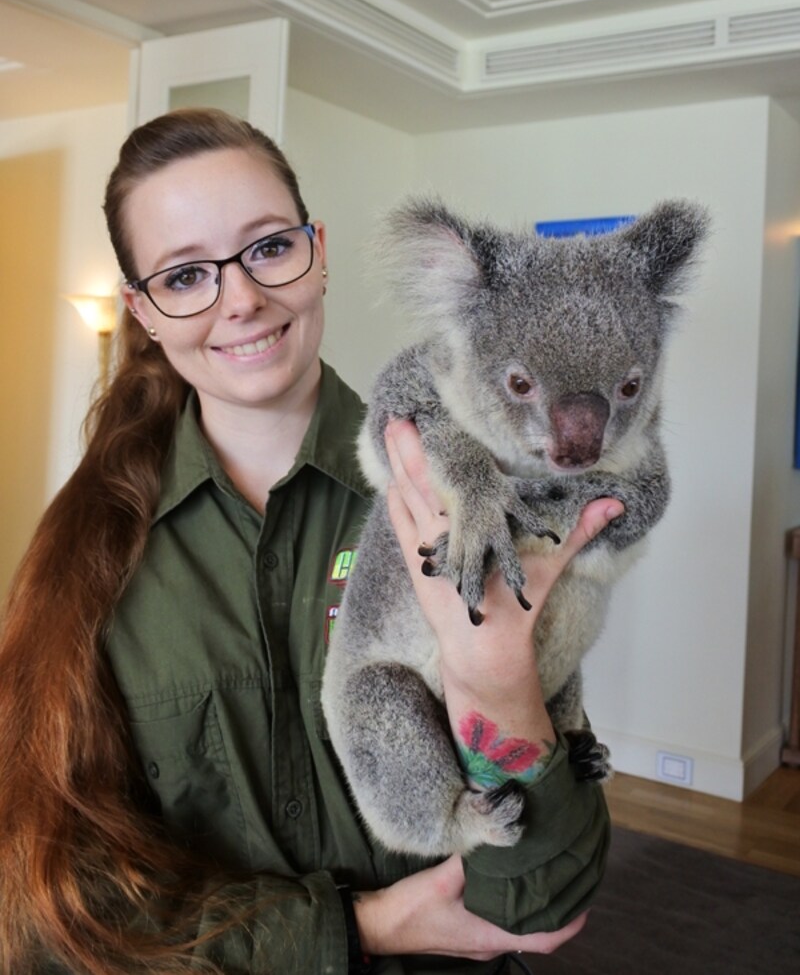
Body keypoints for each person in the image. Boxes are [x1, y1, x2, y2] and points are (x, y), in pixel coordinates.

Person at [0, 108, 622, 975]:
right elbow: (45, 906)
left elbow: (543, 902)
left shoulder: (466, 494)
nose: (243, 298)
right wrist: (357, 926)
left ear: (316, 251)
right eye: (185, 277)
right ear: (143, 312)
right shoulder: (88, 556)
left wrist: (494, 674)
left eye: (268, 248)